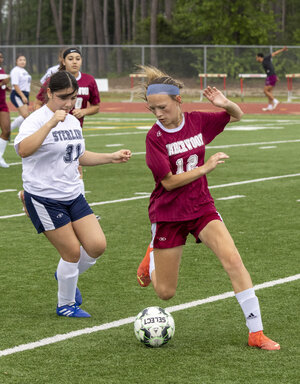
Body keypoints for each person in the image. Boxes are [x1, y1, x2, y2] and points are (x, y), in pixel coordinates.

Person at [136, 65, 280, 350]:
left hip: (201, 207)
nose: (158, 114)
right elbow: (168, 183)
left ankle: (256, 332)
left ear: (179, 100)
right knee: (165, 292)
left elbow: (238, 115)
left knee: (233, 260)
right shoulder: (155, 138)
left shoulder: (198, 121)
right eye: (153, 109)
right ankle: (152, 254)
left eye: (162, 107)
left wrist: (225, 103)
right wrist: (205, 168)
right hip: (169, 214)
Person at [14, 71, 131, 318]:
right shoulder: (35, 121)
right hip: (44, 197)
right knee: (72, 252)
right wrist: (49, 124)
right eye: (63, 98)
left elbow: (77, 156)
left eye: (73, 98)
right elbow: (23, 150)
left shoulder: (73, 121)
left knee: (97, 246)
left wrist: (111, 157)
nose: (68, 104)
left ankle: (66, 274)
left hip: (73, 194)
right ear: (49, 94)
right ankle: (65, 304)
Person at [34, 47, 100, 195]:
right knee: (67, 166)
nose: (75, 62)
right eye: (70, 59)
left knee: (73, 166)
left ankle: (78, 207)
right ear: (63, 61)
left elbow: (96, 106)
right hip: (52, 130)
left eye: (78, 58)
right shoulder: (54, 79)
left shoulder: (89, 80)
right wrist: (44, 120)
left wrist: (83, 111)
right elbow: (38, 102)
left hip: (74, 130)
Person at [256, 47, 287, 111]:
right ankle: (270, 106)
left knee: (265, 91)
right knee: (269, 92)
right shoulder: (263, 62)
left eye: (256, 57)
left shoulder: (266, 58)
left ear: (260, 57)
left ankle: (275, 101)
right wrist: (275, 76)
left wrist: (282, 50)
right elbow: (271, 67)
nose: (256, 59)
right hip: (272, 76)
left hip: (271, 76)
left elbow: (275, 53)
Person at [10, 54, 31, 132]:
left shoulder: (24, 71)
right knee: (25, 116)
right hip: (18, 94)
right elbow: (15, 85)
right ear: (16, 61)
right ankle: (8, 130)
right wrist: (22, 96)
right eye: (20, 60)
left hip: (25, 94)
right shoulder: (15, 70)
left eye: (24, 60)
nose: (22, 61)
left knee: (23, 117)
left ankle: (20, 134)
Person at [0, 51, 11, 168]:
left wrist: (5, 87)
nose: (0, 59)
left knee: (6, 130)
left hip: (2, 104)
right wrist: (3, 82)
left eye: (1, 57)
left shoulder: (1, 70)